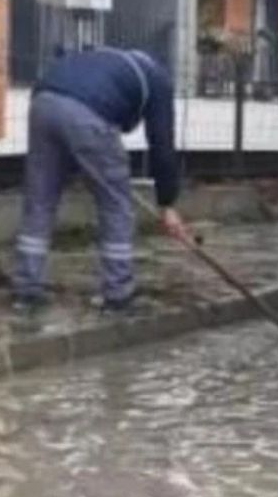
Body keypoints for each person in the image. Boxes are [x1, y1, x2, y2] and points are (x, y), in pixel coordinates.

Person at [11, 48, 189, 313]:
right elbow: (162, 146)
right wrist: (168, 204)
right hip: (88, 112)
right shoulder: (159, 82)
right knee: (116, 206)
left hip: (43, 103)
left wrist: (80, 160)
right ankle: (118, 295)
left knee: (39, 201)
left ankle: (26, 290)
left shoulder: (109, 59)